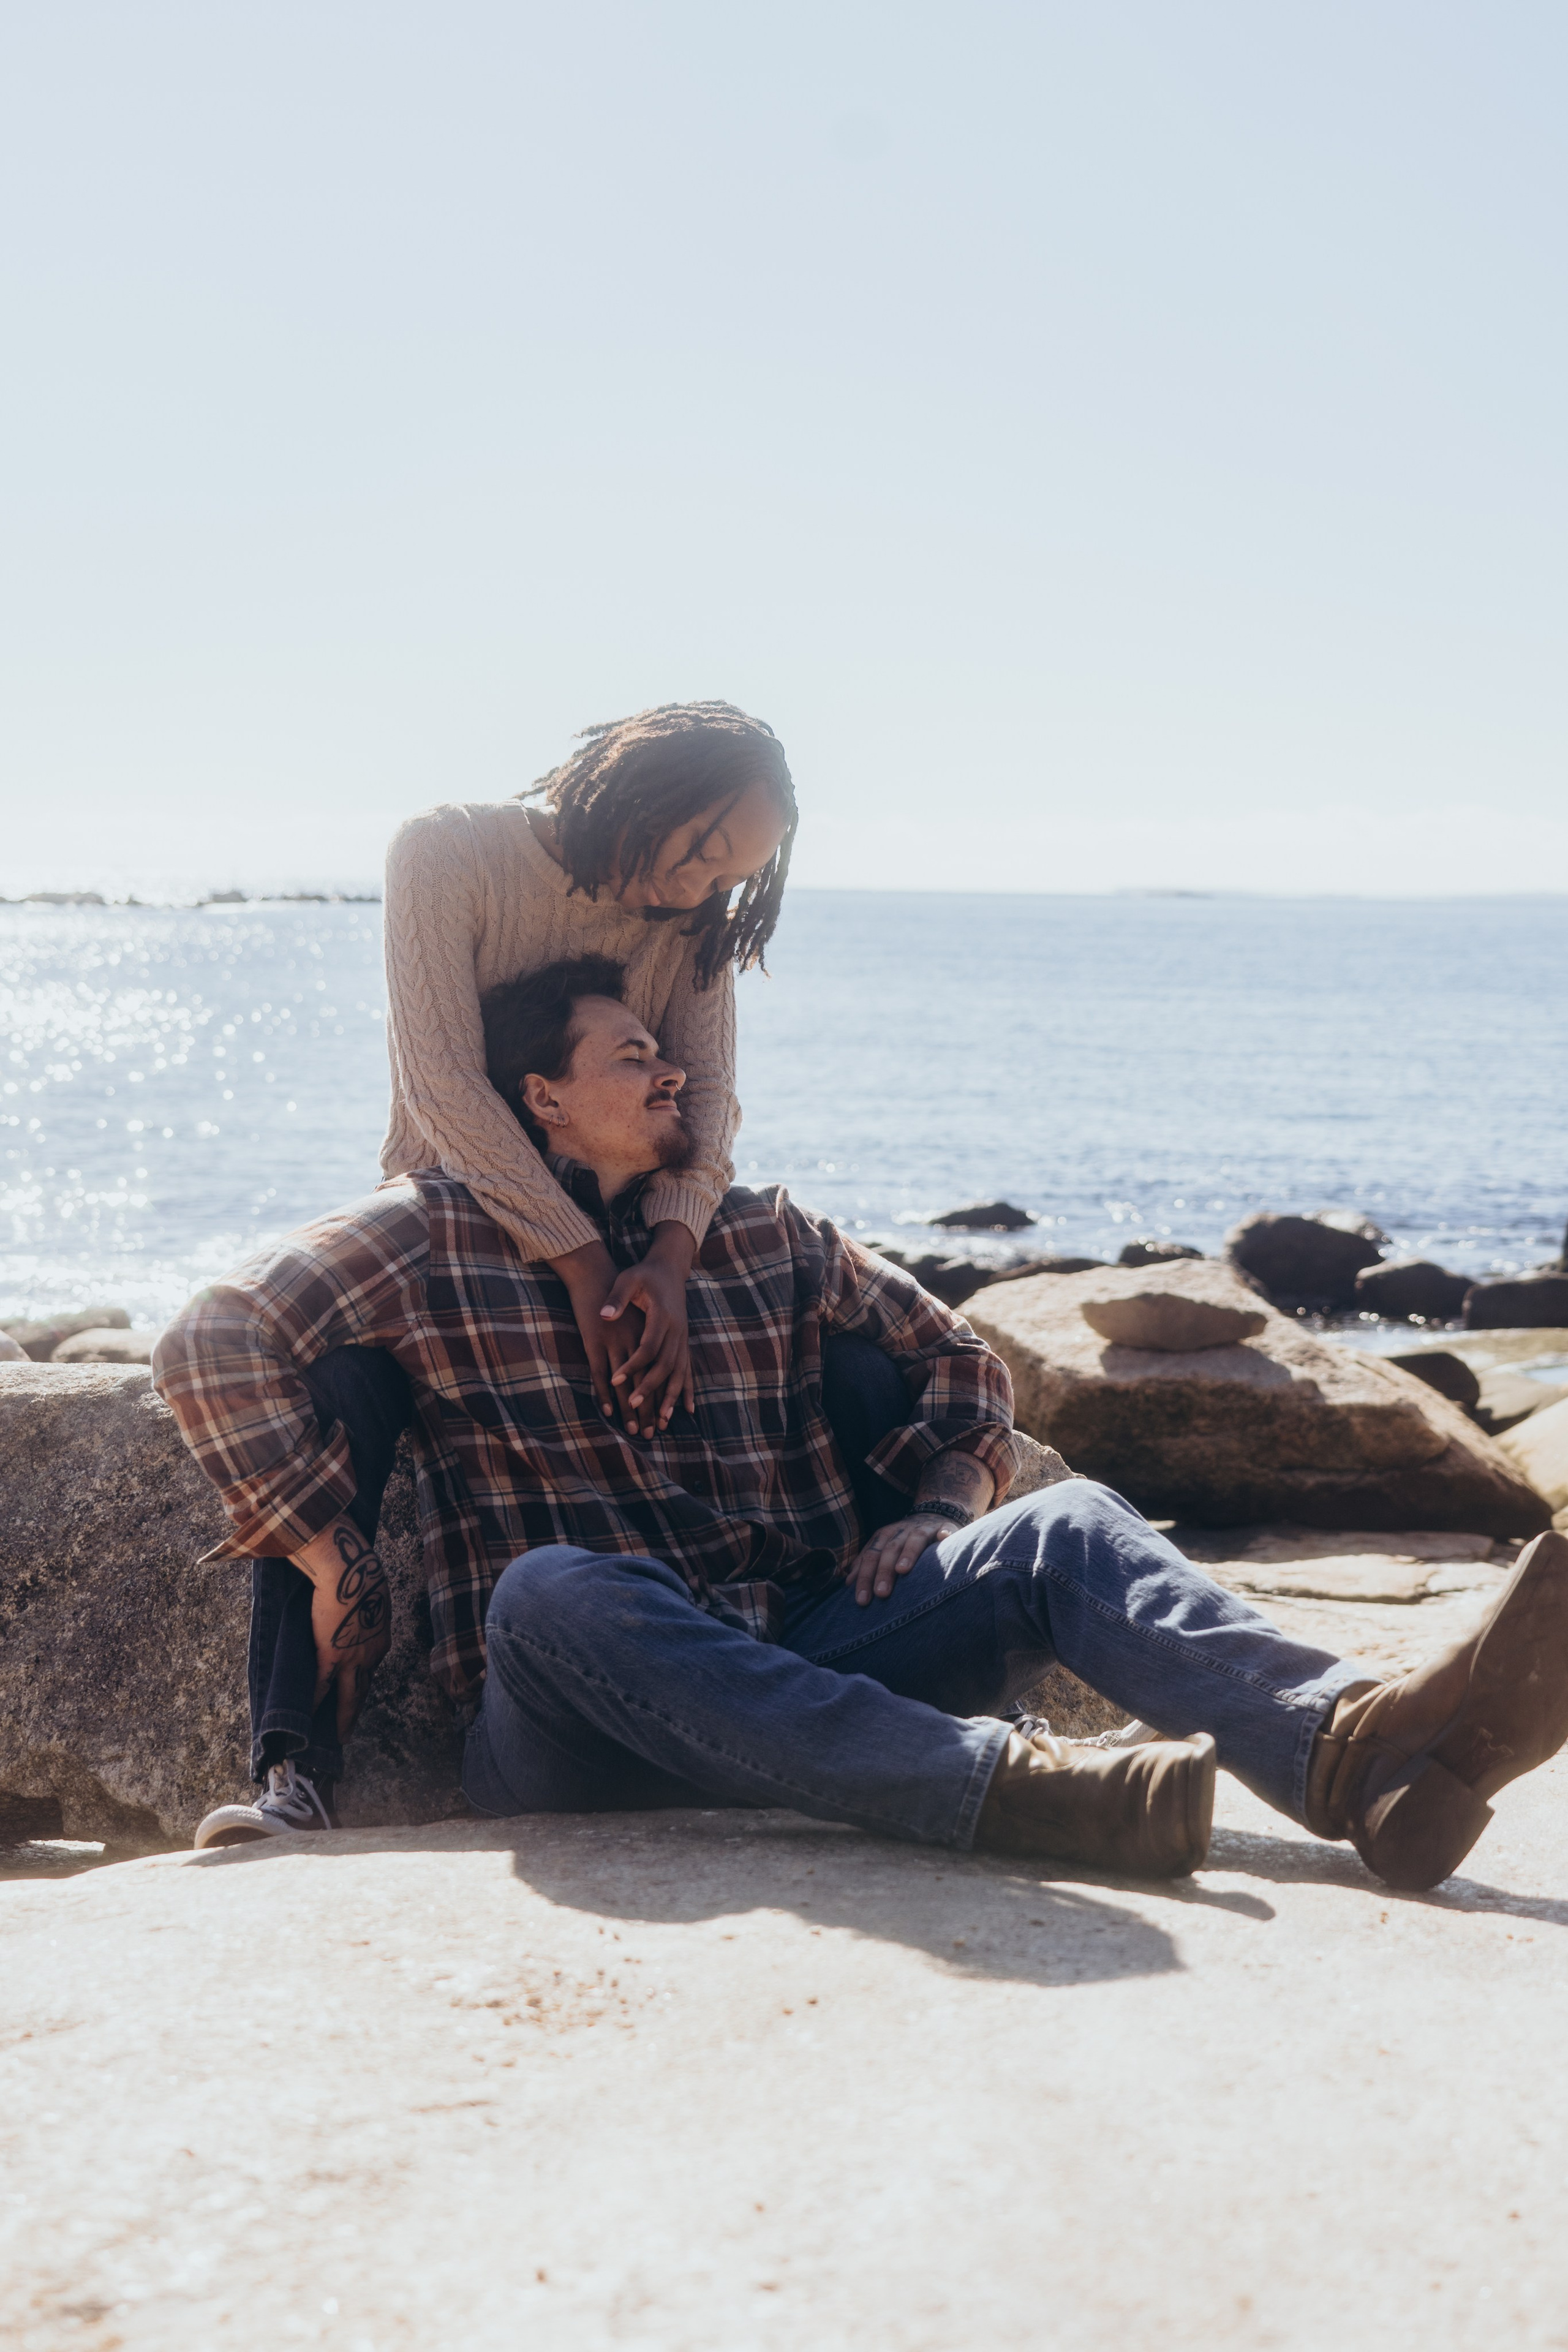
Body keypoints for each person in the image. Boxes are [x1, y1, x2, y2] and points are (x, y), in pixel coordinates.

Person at [154, 959, 1568, 1888]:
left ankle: (1356, 1755)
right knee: (551, 1588)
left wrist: (939, 1506)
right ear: (538, 1095)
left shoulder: (761, 1231)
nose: (672, 1076)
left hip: (807, 1636)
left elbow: (962, 1365)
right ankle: (1007, 1790)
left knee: (1063, 1525)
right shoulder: (433, 1235)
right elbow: (212, 1334)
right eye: (634, 1054)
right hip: (577, 1723)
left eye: (669, 1053)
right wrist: (326, 1547)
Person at [381, 699, 795, 1440]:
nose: (698, 891)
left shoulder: (694, 921)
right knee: (345, 1393)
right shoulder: (449, 849)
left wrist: (669, 1260)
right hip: (455, 1217)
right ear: (649, 786)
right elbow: (441, 1082)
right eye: (703, 849)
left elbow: (707, 1094)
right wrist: (582, 1265)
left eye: (727, 879)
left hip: (633, 1229)